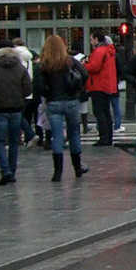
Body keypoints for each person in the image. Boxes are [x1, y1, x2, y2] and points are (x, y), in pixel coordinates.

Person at [35, 35, 90, 181]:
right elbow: (84, 74)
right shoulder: (70, 61)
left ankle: (58, 171)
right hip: (71, 100)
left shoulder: (44, 64)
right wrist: (76, 88)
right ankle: (77, 168)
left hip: (53, 102)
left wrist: (48, 93)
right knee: (74, 134)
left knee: (57, 135)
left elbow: (39, 86)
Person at [0, 37, 32, 184]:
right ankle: (11, 170)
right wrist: (19, 96)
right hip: (17, 108)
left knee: (0, 140)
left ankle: (4, 170)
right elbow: (28, 88)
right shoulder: (20, 68)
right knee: (14, 141)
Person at [84, 32, 120, 146]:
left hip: (98, 85)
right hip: (107, 85)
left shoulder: (99, 51)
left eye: (91, 39)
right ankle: (108, 136)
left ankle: (104, 137)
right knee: (106, 112)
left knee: (100, 112)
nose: (90, 42)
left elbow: (94, 67)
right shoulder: (108, 51)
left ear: (96, 39)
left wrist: (84, 65)